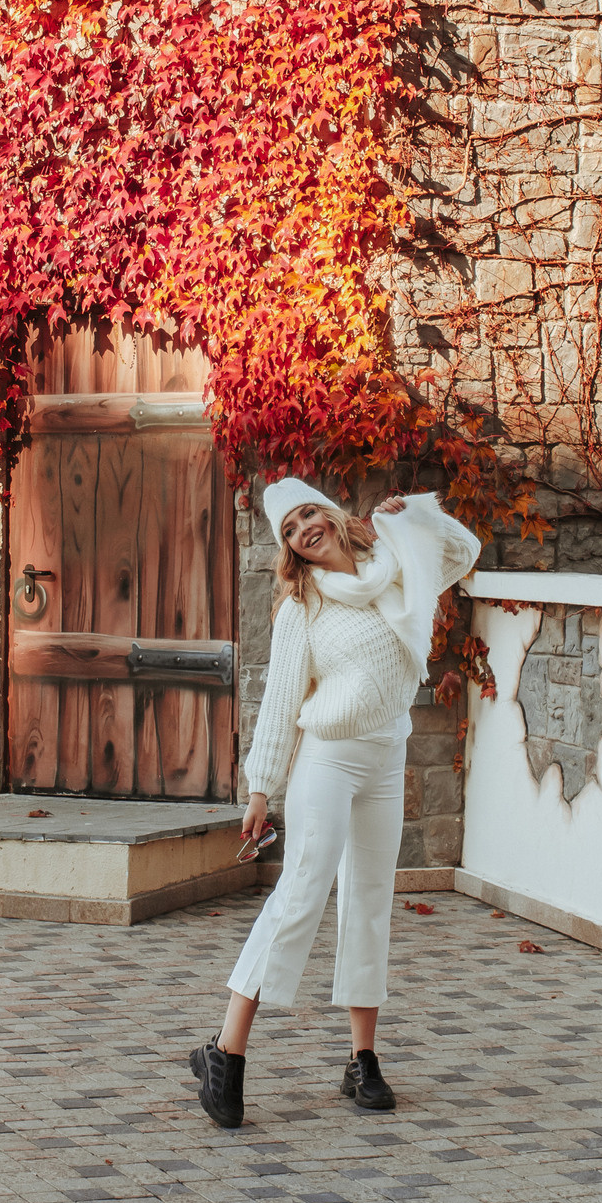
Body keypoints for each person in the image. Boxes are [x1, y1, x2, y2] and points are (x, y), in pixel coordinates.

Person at [190, 479, 481, 1129]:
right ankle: (224, 1052)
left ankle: (362, 1060)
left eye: (307, 513)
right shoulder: (304, 606)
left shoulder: (393, 574)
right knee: (300, 893)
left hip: (385, 757)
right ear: (291, 549)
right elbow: (280, 702)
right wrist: (260, 789)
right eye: (290, 529)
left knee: (370, 900)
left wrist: (414, 519)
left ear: (330, 513)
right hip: (328, 757)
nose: (302, 529)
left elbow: (463, 554)